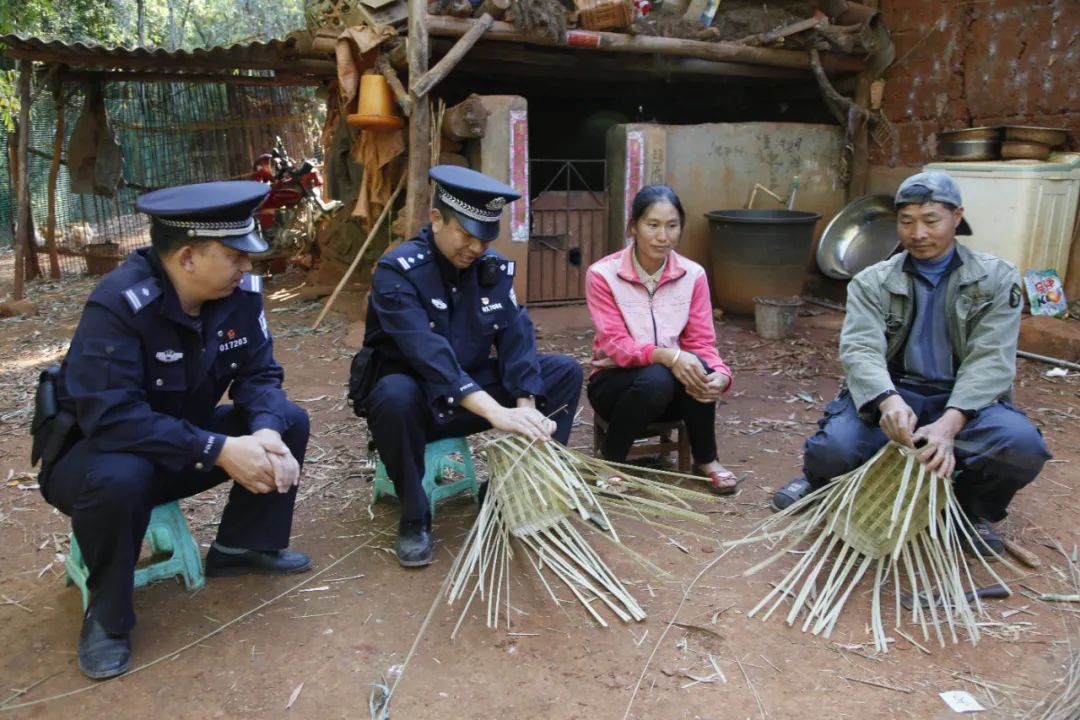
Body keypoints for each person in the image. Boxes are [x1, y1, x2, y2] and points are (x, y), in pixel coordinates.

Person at [34, 181, 312, 680]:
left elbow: (260, 375)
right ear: (187, 258)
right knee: (121, 477)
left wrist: (266, 432)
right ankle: (108, 617)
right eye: (234, 255)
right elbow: (112, 419)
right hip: (95, 460)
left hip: (177, 446)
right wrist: (220, 448)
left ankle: (241, 547)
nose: (248, 266)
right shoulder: (119, 304)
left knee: (288, 419)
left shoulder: (239, 294)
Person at [770, 171, 1049, 554]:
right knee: (835, 449)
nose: (918, 233)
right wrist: (887, 400)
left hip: (963, 401)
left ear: (957, 217)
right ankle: (820, 484)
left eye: (931, 220)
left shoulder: (995, 278)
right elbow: (861, 350)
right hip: (894, 393)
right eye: (906, 221)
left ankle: (967, 511)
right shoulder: (872, 281)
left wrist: (951, 424)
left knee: (1020, 444)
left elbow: (991, 360)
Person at [356, 166, 583, 568]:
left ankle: (505, 494)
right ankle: (415, 515)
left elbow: (517, 338)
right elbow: (428, 355)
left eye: (485, 237)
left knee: (563, 372)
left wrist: (526, 406)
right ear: (437, 219)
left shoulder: (492, 270)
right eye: (466, 234)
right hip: (420, 405)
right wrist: (498, 413)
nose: (476, 248)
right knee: (393, 394)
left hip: (469, 401)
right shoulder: (398, 272)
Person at [585, 184, 737, 493]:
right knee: (657, 377)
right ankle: (610, 461)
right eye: (652, 225)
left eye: (672, 225)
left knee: (700, 370)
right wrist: (666, 356)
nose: (662, 236)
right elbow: (616, 345)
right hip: (614, 386)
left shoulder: (693, 275)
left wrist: (721, 375)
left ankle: (706, 459)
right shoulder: (603, 275)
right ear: (633, 227)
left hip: (668, 389)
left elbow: (701, 342)